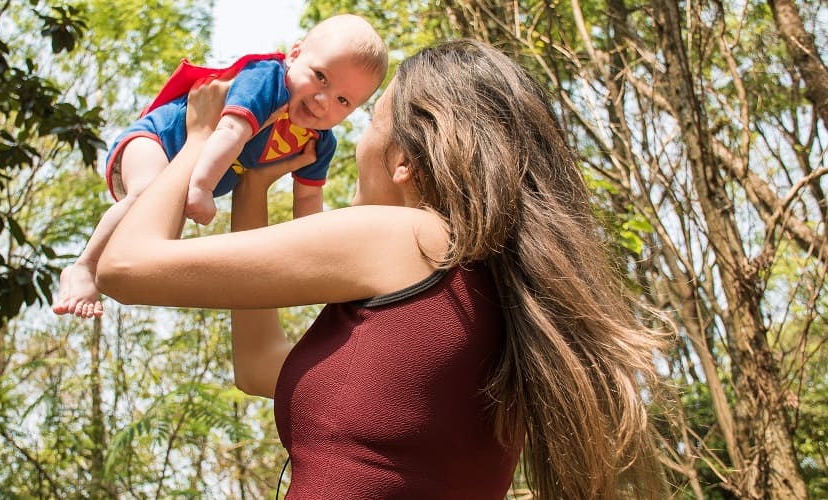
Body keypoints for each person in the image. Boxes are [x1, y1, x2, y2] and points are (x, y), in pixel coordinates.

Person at [94, 39, 669, 498]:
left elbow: (125, 266)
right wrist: (254, 186)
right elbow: (259, 366)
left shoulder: (411, 237)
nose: (350, 137)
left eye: (367, 121)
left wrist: (199, 138)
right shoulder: (492, 293)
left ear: (404, 161)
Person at [53, 14, 388, 318]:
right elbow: (230, 130)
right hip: (158, 139)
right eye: (320, 77)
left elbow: (308, 202)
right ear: (295, 55)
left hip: (187, 172)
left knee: (158, 240)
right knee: (145, 193)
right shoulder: (267, 81)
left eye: (343, 100)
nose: (322, 101)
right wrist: (202, 187)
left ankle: (111, 271)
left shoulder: (319, 142)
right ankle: (84, 266)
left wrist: (318, 257)